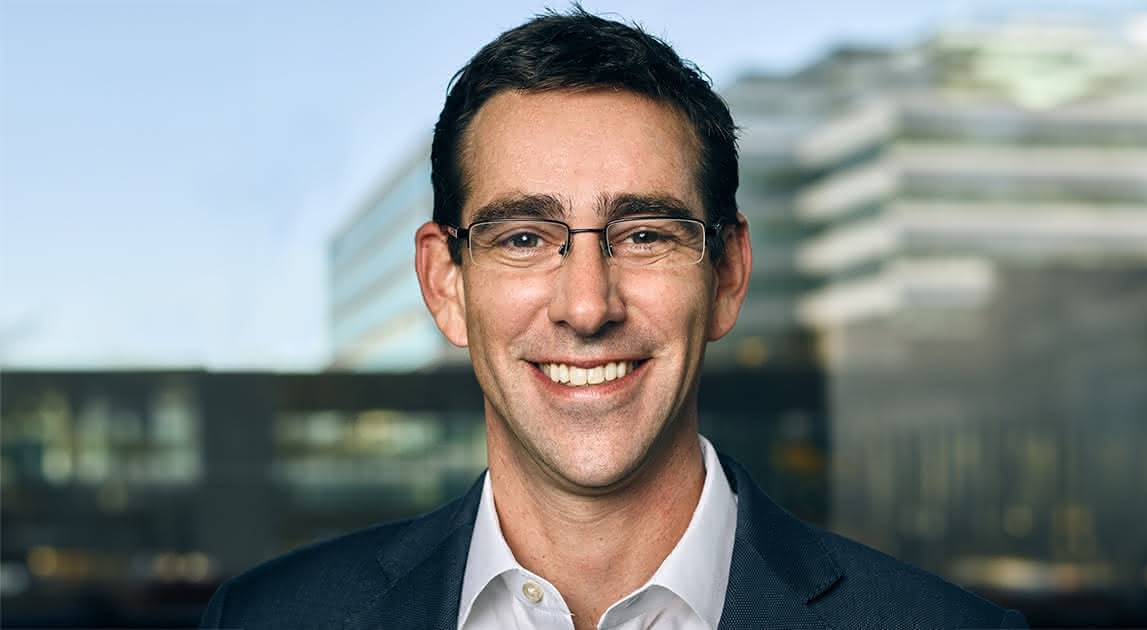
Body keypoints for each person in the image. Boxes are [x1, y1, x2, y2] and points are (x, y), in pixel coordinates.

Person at [201, 8, 1026, 629]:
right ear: (445, 283)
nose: (588, 306)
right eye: (523, 237)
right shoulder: (271, 618)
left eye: (645, 234)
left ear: (729, 274)